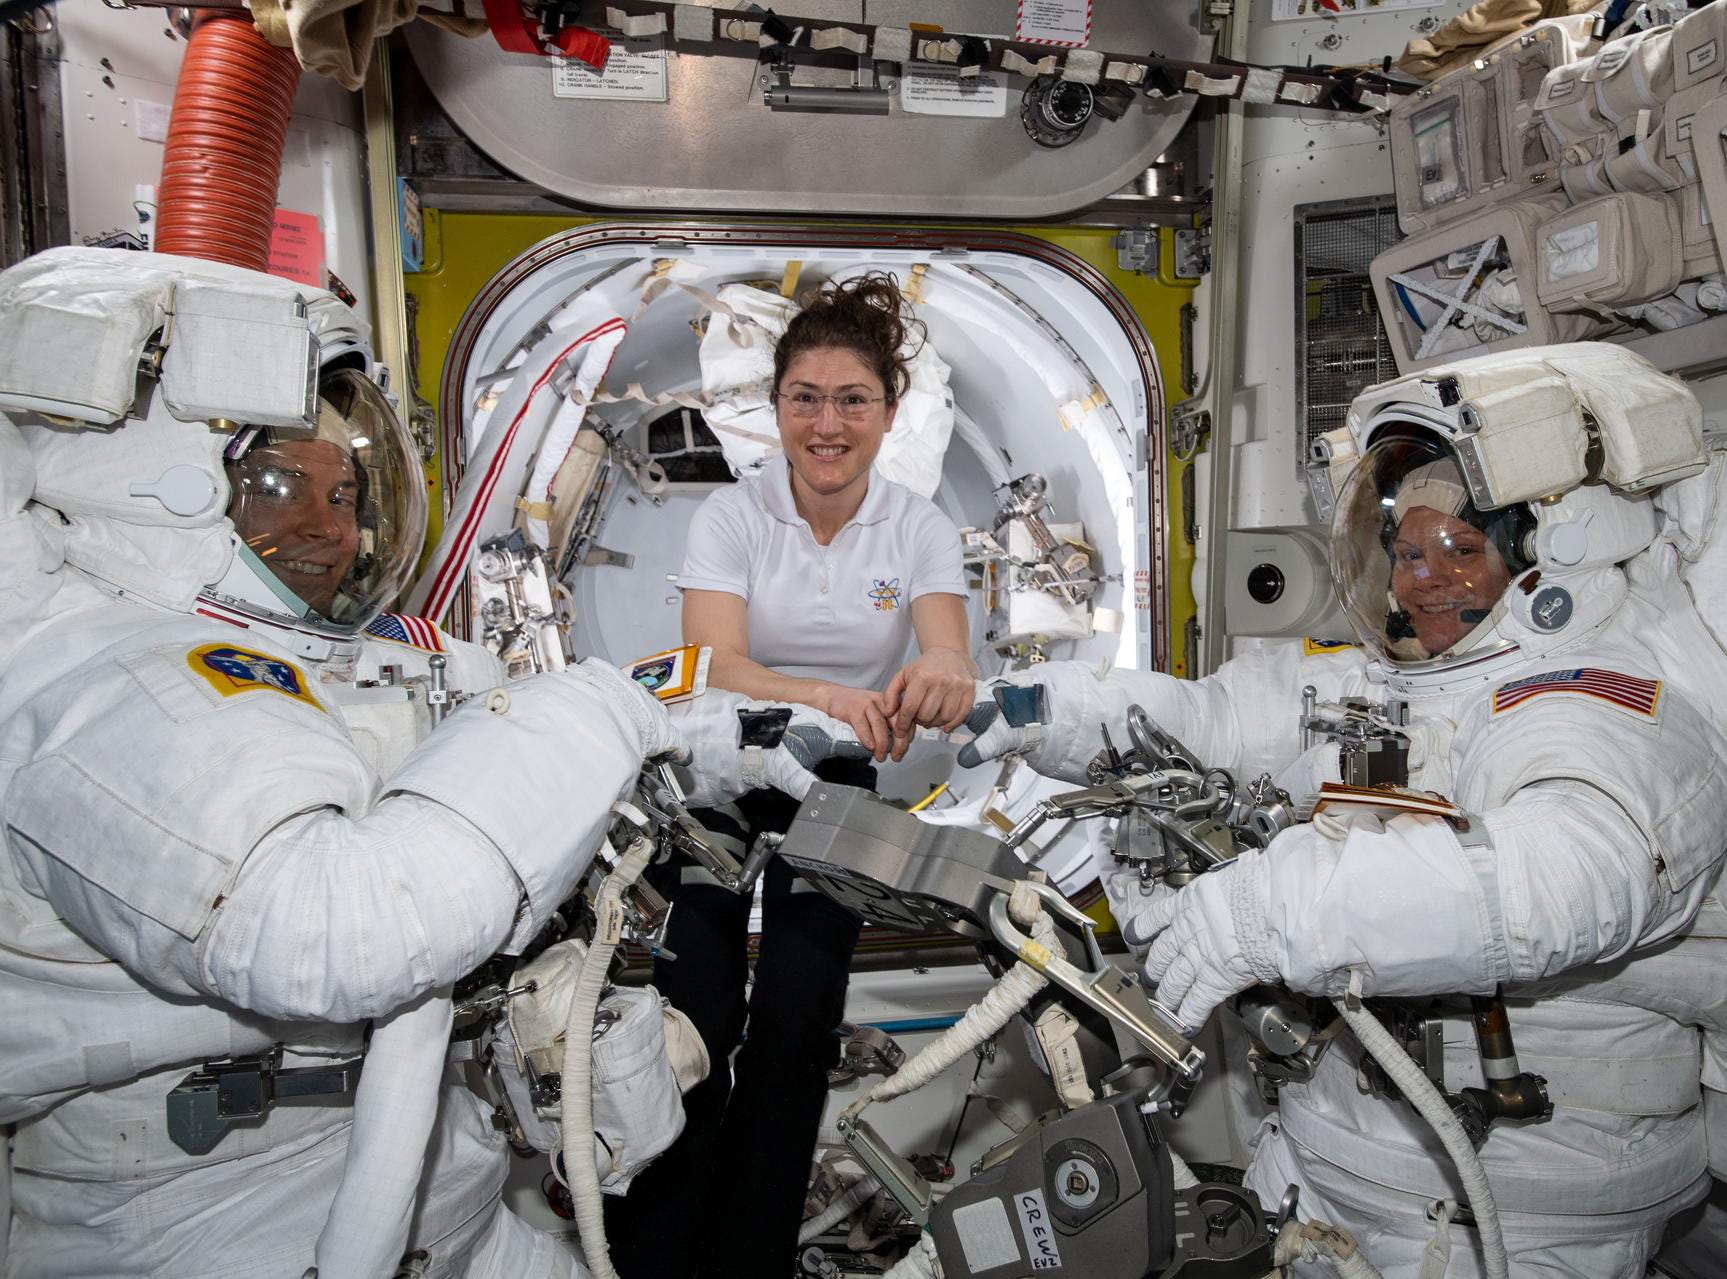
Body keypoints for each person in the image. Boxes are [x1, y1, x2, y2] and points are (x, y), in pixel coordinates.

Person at [0, 247, 840, 1279]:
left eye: (346, 490)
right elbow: (339, 926)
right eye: (274, 485)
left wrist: (692, 741)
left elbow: (476, 790)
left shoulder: (344, 666)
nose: (330, 526)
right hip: (210, 1219)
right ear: (147, 487)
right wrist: (612, 708)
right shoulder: (97, 690)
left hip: (437, 1182)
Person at [964, 344, 1727, 1277]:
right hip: (1324, 1162)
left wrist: (1267, 911)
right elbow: (1214, 721)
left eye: (1458, 548)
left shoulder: (1609, 702)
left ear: (1554, 551)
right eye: (1405, 550)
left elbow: (1562, 880)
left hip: (1511, 1210)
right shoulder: (1401, 681)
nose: (1418, 581)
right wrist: (1044, 710)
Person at [607, 274, 976, 1279]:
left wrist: (942, 670)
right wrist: (824, 689)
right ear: (775, 409)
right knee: (699, 1010)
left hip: (838, 776)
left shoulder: (918, 526)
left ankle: (749, 1258)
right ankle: (655, 1248)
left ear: (887, 412)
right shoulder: (730, 517)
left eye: (851, 398)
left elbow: (947, 647)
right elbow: (713, 662)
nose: (826, 421)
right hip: (724, 763)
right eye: (804, 397)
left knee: (797, 1013)